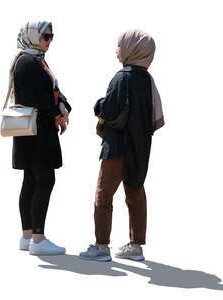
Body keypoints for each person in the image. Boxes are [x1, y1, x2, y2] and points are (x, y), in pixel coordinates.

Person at [79, 29, 164, 262]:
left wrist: (98, 105)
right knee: (135, 192)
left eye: (120, 45)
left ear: (132, 48)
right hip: (139, 147)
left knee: (103, 195)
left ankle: (101, 246)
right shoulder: (148, 81)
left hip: (116, 146)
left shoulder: (122, 77)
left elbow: (109, 109)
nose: (117, 49)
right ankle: (136, 247)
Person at [10, 21, 72, 255]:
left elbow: (53, 90)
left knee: (31, 180)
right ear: (33, 37)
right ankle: (38, 238)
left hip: (33, 133)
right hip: (36, 134)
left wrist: (63, 104)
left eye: (51, 36)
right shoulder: (27, 61)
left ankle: (27, 236)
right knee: (44, 180)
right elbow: (35, 97)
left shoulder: (35, 60)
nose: (49, 41)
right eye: (45, 36)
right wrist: (57, 111)